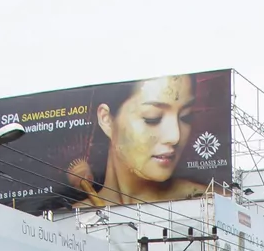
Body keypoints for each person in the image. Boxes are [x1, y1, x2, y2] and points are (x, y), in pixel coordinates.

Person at [66, 75, 209, 208]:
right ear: (107, 120)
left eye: (185, 117)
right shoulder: (72, 217)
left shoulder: (207, 204)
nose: (175, 136)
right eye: (152, 118)